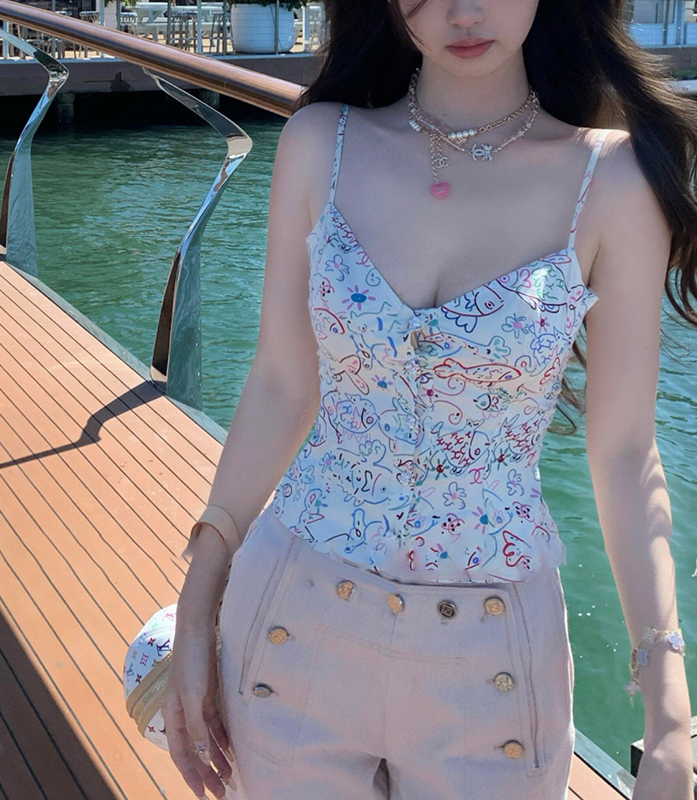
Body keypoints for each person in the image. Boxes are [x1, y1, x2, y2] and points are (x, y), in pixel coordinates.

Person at [162, 1, 696, 798]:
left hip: (493, 669)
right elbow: (281, 382)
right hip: (290, 626)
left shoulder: (613, 178)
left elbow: (624, 451)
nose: (463, 11)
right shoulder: (321, 144)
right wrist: (198, 601)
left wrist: (669, 709)